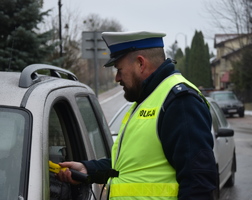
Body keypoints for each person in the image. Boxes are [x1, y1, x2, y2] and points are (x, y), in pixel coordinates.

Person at [58, 31, 217, 200]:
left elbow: (198, 183)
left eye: (119, 70)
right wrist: (88, 169)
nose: (117, 78)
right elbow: (132, 166)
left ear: (140, 63)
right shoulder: (148, 99)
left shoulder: (180, 102)